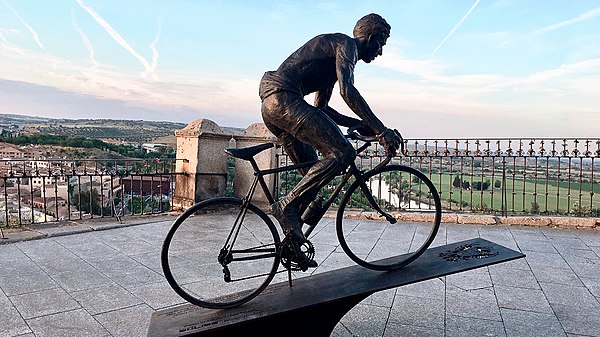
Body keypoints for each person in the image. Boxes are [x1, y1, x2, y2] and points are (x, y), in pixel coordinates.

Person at [259, 13, 402, 268]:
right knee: (343, 153)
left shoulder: (333, 56)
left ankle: (293, 247)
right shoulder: (346, 45)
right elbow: (348, 92)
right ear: (370, 38)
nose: (380, 52)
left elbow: (323, 108)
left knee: (311, 190)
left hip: (273, 105)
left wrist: (362, 124)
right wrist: (380, 130)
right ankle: (285, 207)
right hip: (283, 98)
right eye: (381, 44)